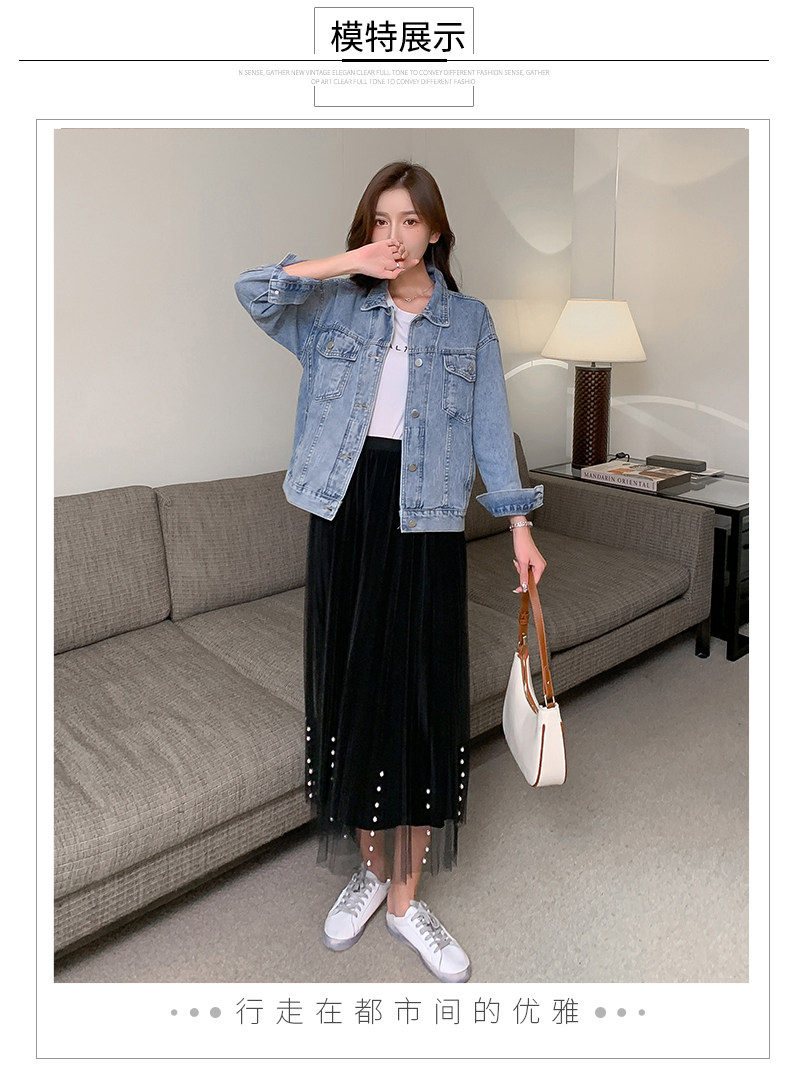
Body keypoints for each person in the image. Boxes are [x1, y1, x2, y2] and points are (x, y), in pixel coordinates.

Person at [235, 161, 546, 983]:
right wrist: (349, 263)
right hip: (346, 512)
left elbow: (490, 429)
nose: (396, 236)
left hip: (428, 519)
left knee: (415, 700)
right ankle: (371, 873)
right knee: (353, 693)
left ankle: (407, 902)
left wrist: (519, 526)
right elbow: (253, 290)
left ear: (436, 230)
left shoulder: (469, 321)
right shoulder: (336, 303)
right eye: (381, 220)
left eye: (410, 221)